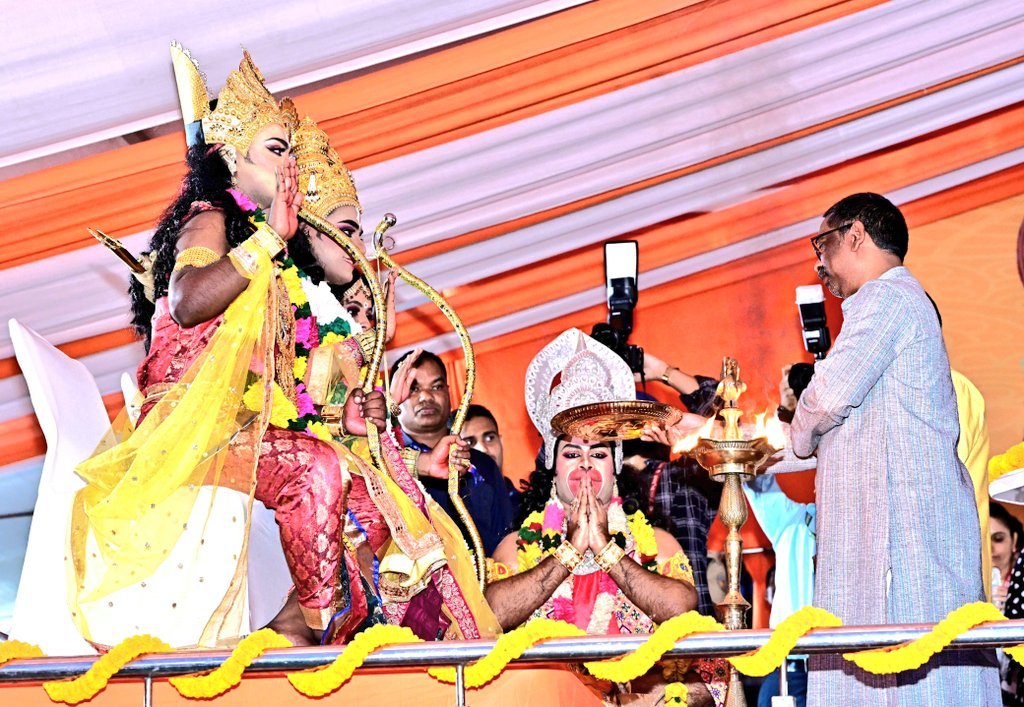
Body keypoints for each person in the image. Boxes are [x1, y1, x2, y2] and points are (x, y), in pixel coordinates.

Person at [67, 46, 495, 649]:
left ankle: (338, 629)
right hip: (190, 429)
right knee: (315, 468)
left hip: (243, 428)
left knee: (371, 496)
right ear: (228, 157)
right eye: (276, 149)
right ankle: (319, 638)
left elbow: (293, 386)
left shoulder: (276, 265)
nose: (289, 164)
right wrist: (268, 238)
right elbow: (187, 300)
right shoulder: (209, 218)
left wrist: (356, 386)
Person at [790, 192, 999, 703]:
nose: (819, 264)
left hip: (902, 545)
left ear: (855, 235)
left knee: (909, 677)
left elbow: (826, 400)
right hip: (901, 538)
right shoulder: (897, 303)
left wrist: (799, 428)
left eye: (822, 244)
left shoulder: (886, 298)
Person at [487, 328, 727, 706]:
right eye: (571, 454)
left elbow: (680, 609)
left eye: (598, 454)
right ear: (552, 466)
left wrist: (606, 550)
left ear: (615, 467)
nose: (585, 464)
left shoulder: (656, 543)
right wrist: (568, 552)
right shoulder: (518, 546)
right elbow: (493, 614)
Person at [392, 351, 514, 555]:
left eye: (437, 386)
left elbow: (506, 539)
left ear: (449, 394)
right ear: (395, 396)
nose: (426, 396)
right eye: (414, 388)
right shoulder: (384, 463)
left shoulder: (481, 463)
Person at [462, 403, 521, 518]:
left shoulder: (529, 507)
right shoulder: (448, 516)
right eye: (469, 442)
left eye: (489, 438)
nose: (483, 449)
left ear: (501, 442)